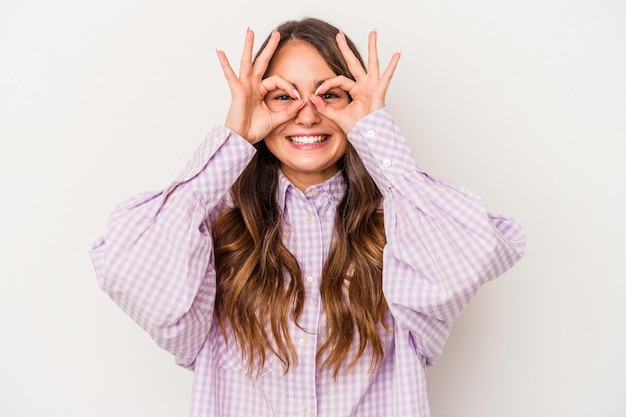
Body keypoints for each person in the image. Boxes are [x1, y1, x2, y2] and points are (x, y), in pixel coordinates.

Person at [90, 17, 525, 417]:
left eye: (329, 94)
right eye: (282, 96)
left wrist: (376, 132)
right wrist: (232, 138)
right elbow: (127, 271)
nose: (308, 112)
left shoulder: (405, 228)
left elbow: (477, 252)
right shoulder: (210, 232)